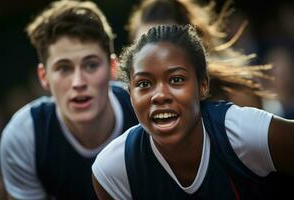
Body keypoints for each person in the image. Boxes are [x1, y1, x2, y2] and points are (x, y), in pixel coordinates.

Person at [92, 25, 294, 200]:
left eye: (176, 79)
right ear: (130, 95)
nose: (160, 95)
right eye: (144, 84)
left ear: (203, 86)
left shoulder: (244, 133)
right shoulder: (114, 169)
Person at [0, 0, 138, 199]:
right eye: (64, 68)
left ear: (113, 68)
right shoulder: (24, 136)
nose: (78, 82)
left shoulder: (145, 112)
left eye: (91, 65)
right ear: (44, 77)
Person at [126, 0, 273, 108]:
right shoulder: (125, 103)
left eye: (167, 45)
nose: (155, 57)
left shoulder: (237, 96)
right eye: (143, 45)